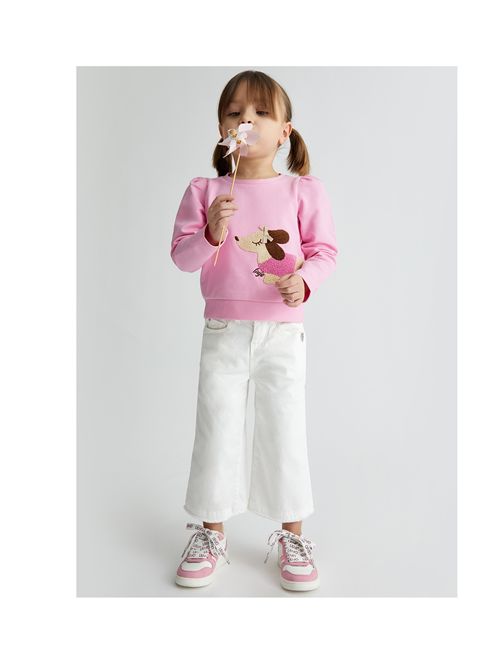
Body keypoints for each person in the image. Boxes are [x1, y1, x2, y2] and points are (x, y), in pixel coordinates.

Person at [170, 70, 338, 592]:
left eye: (262, 112)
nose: (247, 119)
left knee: (284, 429)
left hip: (282, 335)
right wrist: (212, 231)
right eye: (235, 112)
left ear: (285, 131)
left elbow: (324, 252)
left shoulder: (302, 190)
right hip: (223, 329)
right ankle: (211, 533)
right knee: (217, 427)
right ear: (222, 128)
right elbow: (183, 258)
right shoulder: (205, 191)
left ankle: (292, 535)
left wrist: (303, 282)